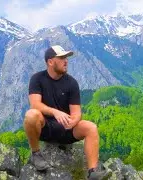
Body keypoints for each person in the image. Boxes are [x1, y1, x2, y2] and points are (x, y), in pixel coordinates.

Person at [24, 45, 109, 179]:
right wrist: (55, 112)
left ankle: (92, 172)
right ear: (50, 62)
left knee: (91, 127)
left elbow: (76, 113)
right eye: (62, 57)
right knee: (31, 115)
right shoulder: (37, 78)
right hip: (45, 127)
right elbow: (35, 105)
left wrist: (74, 120)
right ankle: (36, 154)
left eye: (66, 57)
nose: (66, 61)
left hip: (66, 129)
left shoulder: (72, 83)